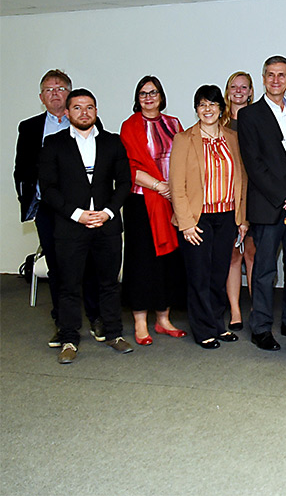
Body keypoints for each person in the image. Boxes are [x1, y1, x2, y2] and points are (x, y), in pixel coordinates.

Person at [37, 89, 133, 363]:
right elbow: (49, 188)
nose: (84, 113)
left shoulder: (112, 142)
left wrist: (108, 212)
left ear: (96, 111)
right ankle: (69, 338)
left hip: (107, 225)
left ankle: (114, 333)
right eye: (77, 108)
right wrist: (77, 214)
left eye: (89, 107)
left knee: (109, 283)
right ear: (67, 113)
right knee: (68, 284)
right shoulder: (53, 144)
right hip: (71, 226)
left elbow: (124, 182)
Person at [14, 69, 104, 347]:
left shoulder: (87, 121)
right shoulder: (29, 127)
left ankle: (96, 317)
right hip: (48, 210)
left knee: (89, 265)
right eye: (49, 89)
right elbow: (22, 169)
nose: (55, 93)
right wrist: (27, 200)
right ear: (41, 97)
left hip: (83, 210)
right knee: (58, 267)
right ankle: (62, 323)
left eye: (60, 88)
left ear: (70, 94)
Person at [237, 55, 286, 351]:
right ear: (263, 78)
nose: (275, 80)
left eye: (281, 75)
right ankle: (261, 328)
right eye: (270, 75)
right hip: (270, 205)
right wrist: (285, 197)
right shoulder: (250, 115)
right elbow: (254, 165)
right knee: (265, 270)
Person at [170, 85, 248, 349]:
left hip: (226, 217)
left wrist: (242, 218)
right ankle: (203, 329)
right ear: (196, 109)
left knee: (218, 275)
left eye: (213, 104)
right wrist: (186, 223)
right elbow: (177, 185)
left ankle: (217, 324)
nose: (208, 109)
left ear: (221, 109)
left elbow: (242, 181)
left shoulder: (232, 138)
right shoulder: (184, 139)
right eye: (202, 104)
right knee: (199, 276)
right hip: (197, 219)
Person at [119, 75, 187, 346]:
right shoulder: (130, 126)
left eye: (153, 92)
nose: (148, 97)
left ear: (161, 96)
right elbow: (129, 167)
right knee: (141, 262)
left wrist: (174, 188)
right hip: (141, 203)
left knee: (167, 262)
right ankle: (139, 322)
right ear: (137, 98)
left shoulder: (174, 124)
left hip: (171, 202)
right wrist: (160, 185)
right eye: (143, 93)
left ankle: (163, 319)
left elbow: (184, 160)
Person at [222, 71, 255, 330]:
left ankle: (257, 307)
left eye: (244, 87)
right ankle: (235, 310)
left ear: (251, 91)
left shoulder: (257, 118)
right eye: (234, 86)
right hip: (227, 196)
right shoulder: (217, 122)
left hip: (254, 194)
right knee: (233, 254)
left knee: (253, 253)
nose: (239, 91)